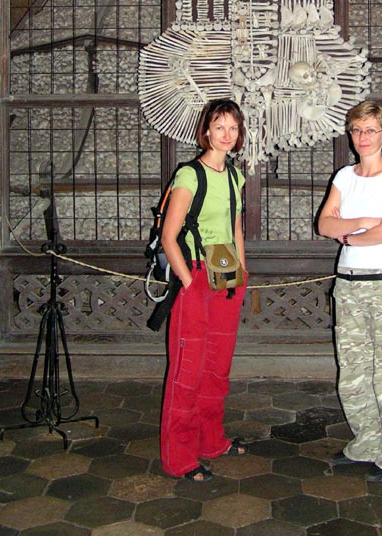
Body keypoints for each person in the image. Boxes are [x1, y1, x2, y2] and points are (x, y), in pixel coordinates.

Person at [317, 100, 382, 481]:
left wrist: (350, 236)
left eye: (371, 130)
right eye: (357, 130)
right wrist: (358, 224)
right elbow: (324, 224)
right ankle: (367, 442)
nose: (363, 137)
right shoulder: (344, 176)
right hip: (348, 285)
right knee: (354, 371)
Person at [159, 99, 248, 482]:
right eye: (219, 127)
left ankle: (212, 440)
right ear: (206, 131)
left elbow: (236, 229)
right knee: (188, 369)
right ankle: (179, 458)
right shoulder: (189, 176)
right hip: (195, 276)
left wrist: (243, 274)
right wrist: (189, 280)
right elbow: (168, 236)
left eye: (233, 128)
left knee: (217, 366)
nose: (226, 135)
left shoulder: (235, 177)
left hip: (226, 275)